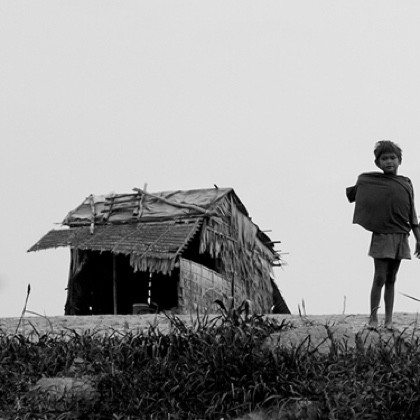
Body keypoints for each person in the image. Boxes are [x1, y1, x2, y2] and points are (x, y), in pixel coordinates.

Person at [346, 140, 420, 329]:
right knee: (379, 277)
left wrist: (418, 239)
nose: (389, 162)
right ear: (377, 163)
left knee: (392, 279)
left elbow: (412, 213)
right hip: (381, 235)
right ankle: (373, 318)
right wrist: (360, 187)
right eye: (384, 158)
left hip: (401, 235)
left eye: (392, 158)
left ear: (399, 160)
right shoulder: (369, 180)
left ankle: (388, 320)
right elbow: (354, 194)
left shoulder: (406, 183)